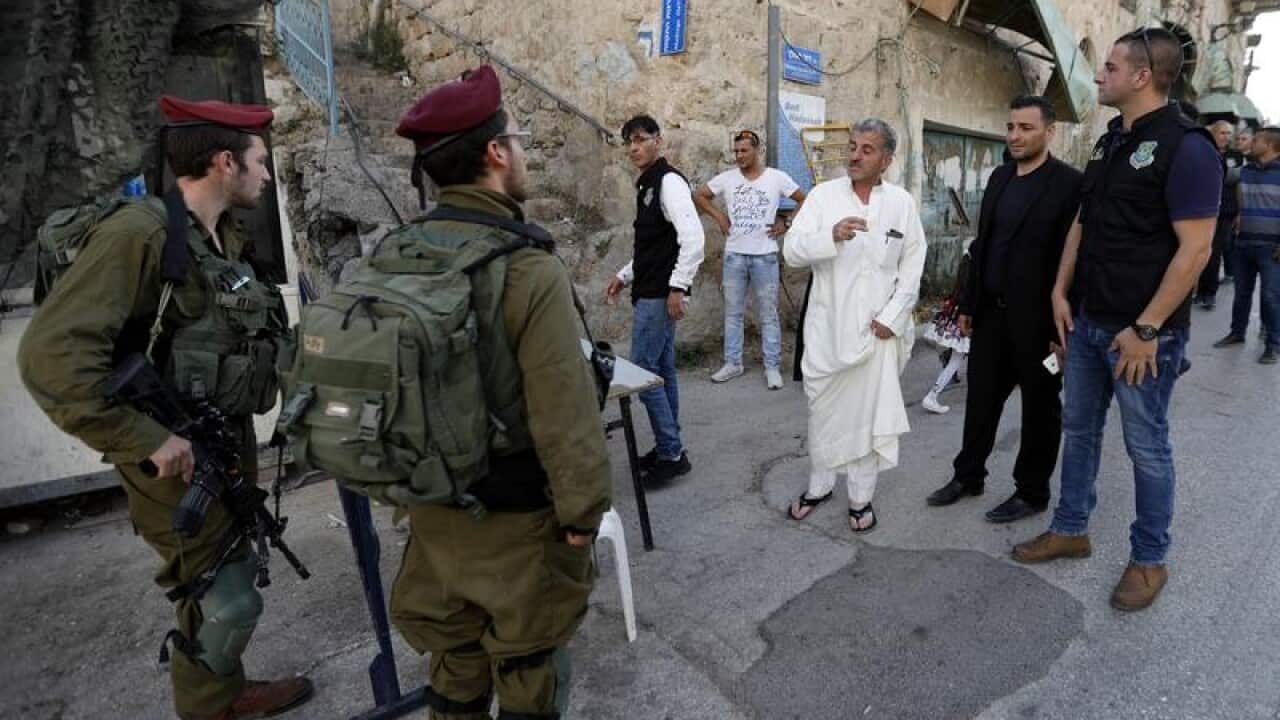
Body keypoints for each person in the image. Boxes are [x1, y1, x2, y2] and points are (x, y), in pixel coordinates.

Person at [18, 97, 313, 719]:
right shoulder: (141, 234)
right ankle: (210, 707)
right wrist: (146, 439)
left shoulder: (221, 239)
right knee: (231, 601)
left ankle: (219, 691)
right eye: (260, 162)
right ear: (225, 162)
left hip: (219, 437)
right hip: (170, 453)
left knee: (218, 577)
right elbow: (49, 358)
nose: (267, 175)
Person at [386, 66, 612, 720]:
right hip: (516, 521)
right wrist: (582, 515)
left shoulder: (398, 252)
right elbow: (565, 413)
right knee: (529, 666)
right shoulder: (527, 267)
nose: (523, 152)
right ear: (495, 153)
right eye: (517, 139)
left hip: (431, 509)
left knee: (455, 659)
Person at [1011, 28, 1221, 613]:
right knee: (1079, 430)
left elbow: (1196, 251)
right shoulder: (1111, 139)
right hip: (1088, 322)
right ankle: (1070, 528)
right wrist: (1060, 290)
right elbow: (1084, 221)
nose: (1098, 75)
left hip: (1142, 338)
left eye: (1109, 66)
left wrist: (1147, 328)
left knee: (1146, 447)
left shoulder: (1188, 147)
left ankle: (1149, 559)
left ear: (1142, 76)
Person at [926, 95, 1083, 524]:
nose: (1015, 135)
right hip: (992, 316)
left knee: (1040, 409)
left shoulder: (1070, 184)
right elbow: (984, 244)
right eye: (1011, 127)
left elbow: (1076, 259)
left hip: (1040, 324)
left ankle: (1032, 492)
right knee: (980, 400)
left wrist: (1062, 329)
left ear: (1050, 132)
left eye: (1026, 128)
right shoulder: (1000, 177)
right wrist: (969, 302)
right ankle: (968, 476)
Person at [782, 118, 926, 533]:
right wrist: (830, 235)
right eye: (852, 147)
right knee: (823, 413)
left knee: (868, 419)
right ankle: (820, 485)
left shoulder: (900, 203)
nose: (855, 156)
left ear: (886, 159)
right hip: (827, 330)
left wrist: (892, 317)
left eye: (867, 149)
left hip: (878, 332)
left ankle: (860, 498)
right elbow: (792, 251)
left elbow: (912, 264)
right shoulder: (824, 197)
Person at [605, 115, 706, 483]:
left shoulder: (669, 182)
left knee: (643, 375)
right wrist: (624, 274)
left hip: (659, 296)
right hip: (650, 290)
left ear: (658, 141)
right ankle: (669, 445)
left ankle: (671, 452)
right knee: (662, 373)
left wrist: (679, 287)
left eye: (641, 139)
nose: (634, 148)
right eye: (629, 142)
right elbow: (654, 246)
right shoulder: (647, 183)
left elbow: (693, 239)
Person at [693, 129, 806, 389]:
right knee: (733, 313)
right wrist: (719, 216)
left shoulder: (776, 178)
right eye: (736, 151)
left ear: (757, 150)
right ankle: (733, 362)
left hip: (765, 255)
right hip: (735, 255)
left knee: (768, 314)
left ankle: (772, 366)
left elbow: (803, 198)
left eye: (744, 150)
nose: (739, 156)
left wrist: (786, 223)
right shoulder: (728, 178)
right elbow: (699, 195)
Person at [1213, 126, 1280, 363]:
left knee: (1271, 296)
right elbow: (1218, 173)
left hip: (1272, 248)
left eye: (1256, 140)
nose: (1251, 143)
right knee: (1241, 293)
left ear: (1270, 145)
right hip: (1243, 243)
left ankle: (1273, 344)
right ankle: (1237, 332)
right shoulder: (1245, 170)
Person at [920, 250, 971, 415]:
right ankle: (932, 395)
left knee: (957, 359)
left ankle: (933, 394)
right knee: (956, 360)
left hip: (956, 320)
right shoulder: (971, 285)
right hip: (965, 324)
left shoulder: (961, 279)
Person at [1192, 119, 1235, 310]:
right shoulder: (1205, 151)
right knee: (1197, 250)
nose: (1226, 137)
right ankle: (1198, 291)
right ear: (1214, 133)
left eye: (1229, 133)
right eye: (1222, 132)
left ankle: (1209, 293)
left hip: (1224, 212)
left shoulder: (1236, 156)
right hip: (1201, 208)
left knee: (1214, 252)